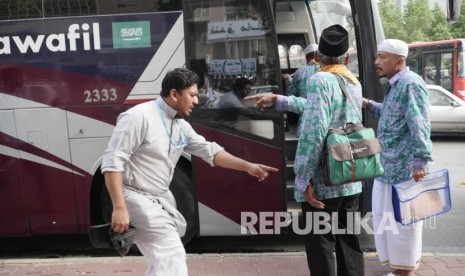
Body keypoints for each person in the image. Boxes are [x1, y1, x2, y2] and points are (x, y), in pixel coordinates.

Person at [101, 68, 278, 276]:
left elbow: (211, 152)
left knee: (163, 261)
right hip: (134, 195)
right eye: (192, 95)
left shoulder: (181, 126)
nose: (197, 101)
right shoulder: (138, 117)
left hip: (159, 198)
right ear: (175, 94)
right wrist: (119, 208)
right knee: (171, 254)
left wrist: (248, 166)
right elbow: (112, 162)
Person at [246, 25, 364, 276]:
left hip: (325, 179)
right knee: (349, 242)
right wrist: (279, 100)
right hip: (351, 175)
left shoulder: (320, 80)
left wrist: (303, 179)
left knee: (321, 242)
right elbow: (316, 108)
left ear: (318, 58)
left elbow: (313, 133)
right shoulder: (353, 82)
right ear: (347, 58)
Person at [363, 39, 433, 276]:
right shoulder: (396, 84)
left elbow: (418, 123)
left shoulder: (411, 84)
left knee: (405, 226)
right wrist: (369, 105)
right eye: (378, 56)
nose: (377, 62)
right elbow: (392, 114)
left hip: (404, 171)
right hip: (388, 167)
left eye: (383, 57)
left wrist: (420, 161)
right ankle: (398, 270)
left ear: (399, 61)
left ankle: (405, 272)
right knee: (388, 223)